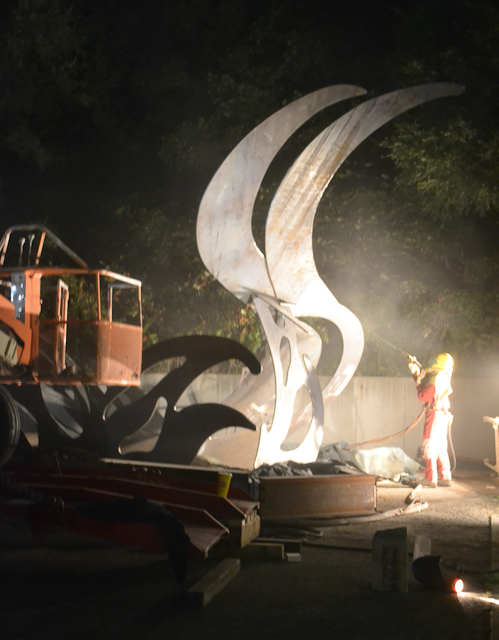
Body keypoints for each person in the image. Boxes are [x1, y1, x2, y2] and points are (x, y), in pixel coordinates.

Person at [408, 353, 454, 487]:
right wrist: (415, 373)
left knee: (429, 445)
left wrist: (417, 381)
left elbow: (423, 395)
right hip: (443, 415)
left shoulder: (435, 377)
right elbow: (429, 386)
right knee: (441, 447)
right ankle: (445, 476)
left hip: (434, 415)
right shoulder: (443, 376)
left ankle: (431, 478)